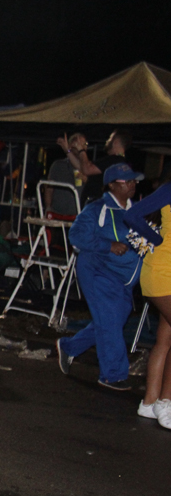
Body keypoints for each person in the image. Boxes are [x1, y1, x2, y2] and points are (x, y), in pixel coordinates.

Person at [56, 163, 144, 391]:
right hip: (97, 270)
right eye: (127, 181)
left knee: (110, 321)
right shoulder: (98, 208)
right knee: (110, 321)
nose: (133, 184)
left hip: (124, 280)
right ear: (112, 185)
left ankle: (70, 347)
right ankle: (112, 374)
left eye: (134, 179)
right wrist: (107, 245)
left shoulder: (137, 210)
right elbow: (75, 236)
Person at [126, 175, 171, 427]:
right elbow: (133, 215)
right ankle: (167, 402)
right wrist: (157, 241)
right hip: (162, 272)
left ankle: (150, 402)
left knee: (165, 340)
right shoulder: (169, 190)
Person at [60, 128, 132, 205]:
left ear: (116, 142)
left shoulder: (114, 160)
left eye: (110, 138)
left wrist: (81, 149)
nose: (107, 141)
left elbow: (87, 169)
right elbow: (82, 167)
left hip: (96, 207)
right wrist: (67, 150)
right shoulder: (117, 161)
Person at [44, 132, 87, 217]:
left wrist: (85, 178)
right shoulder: (58, 165)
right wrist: (48, 208)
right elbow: (49, 188)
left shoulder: (88, 167)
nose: (82, 147)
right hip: (57, 213)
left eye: (84, 144)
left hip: (78, 214)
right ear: (70, 145)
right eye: (78, 144)